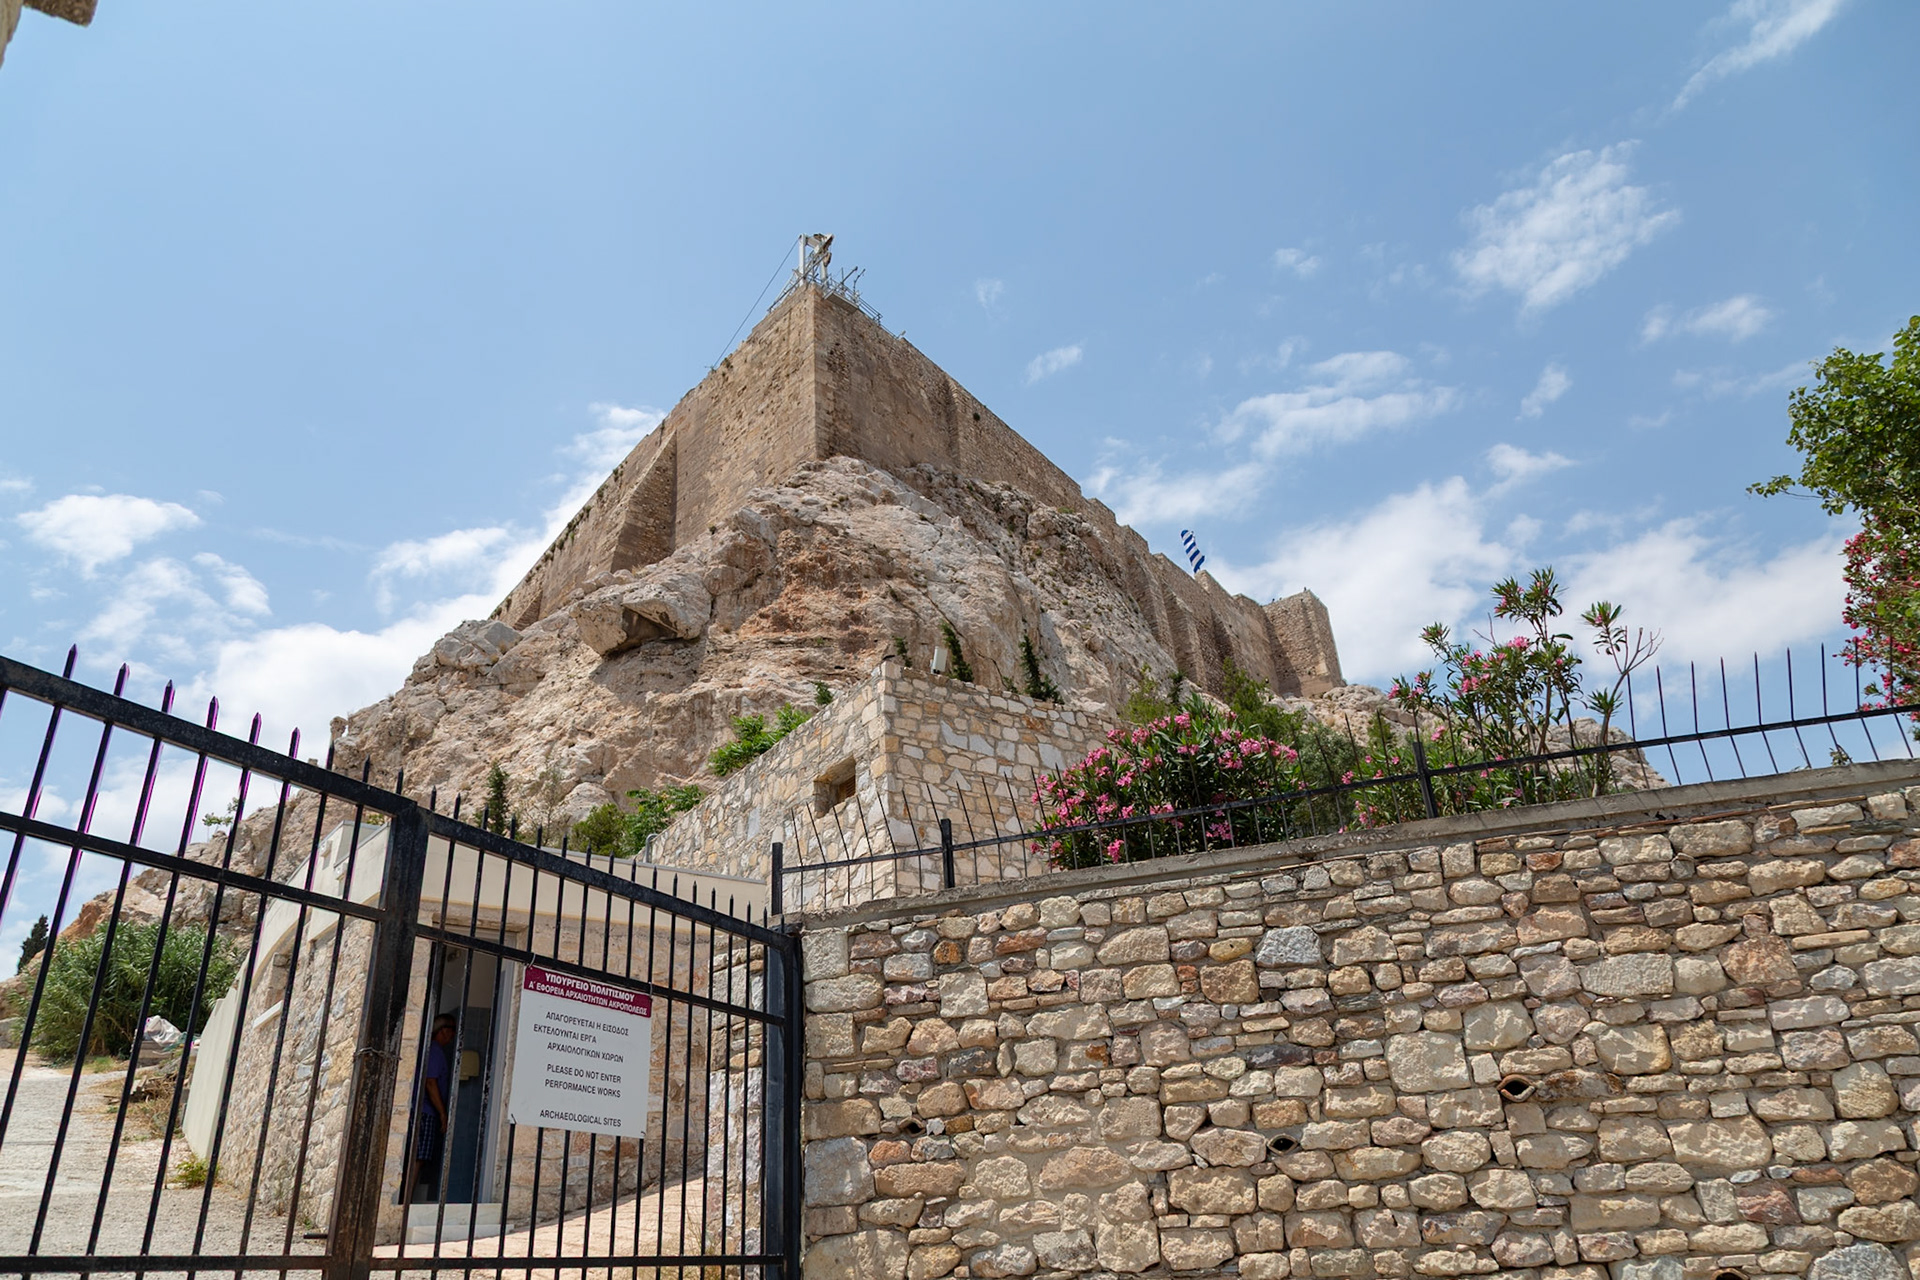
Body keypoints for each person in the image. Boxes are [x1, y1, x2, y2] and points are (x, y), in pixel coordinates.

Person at [405, 1014, 457, 1204]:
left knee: (416, 1155)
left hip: (423, 1110)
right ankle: (406, 1201)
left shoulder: (430, 1050)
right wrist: (443, 1113)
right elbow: (430, 1082)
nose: (452, 1036)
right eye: (451, 1031)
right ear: (443, 1031)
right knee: (417, 1157)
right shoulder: (435, 1051)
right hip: (425, 1112)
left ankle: (406, 1199)